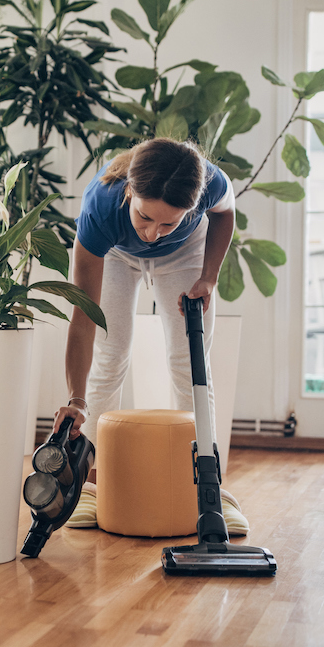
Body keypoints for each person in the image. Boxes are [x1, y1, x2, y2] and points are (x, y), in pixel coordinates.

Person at [52, 137, 248, 534]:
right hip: (116, 255)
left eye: (168, 222)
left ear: (191, 208)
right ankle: (90, 485)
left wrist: (208, 278)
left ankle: (207, 488)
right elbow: (83, 318)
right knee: (110, 357)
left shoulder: (210, 183)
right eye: (145, 217)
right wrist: (75, 398)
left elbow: (226, 216)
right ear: (129, 193)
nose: (153, 233)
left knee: (189, 361)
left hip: (186, 252)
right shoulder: (102, 207)